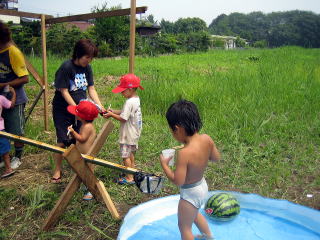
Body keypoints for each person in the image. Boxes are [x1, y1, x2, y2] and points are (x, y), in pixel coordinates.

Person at [160, 100, 220, 240]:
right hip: (202, 187)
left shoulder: (184, 153)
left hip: (190, 193)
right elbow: (215, 158)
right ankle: (208, 237)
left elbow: (178, 181)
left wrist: (165, 165)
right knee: (195, 215)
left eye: (172, 131)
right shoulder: (206, 139)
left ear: (177, 129)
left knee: (184, 227)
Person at [51, 39, 105, 183]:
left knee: (79, 139)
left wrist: (99, 106)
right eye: (87, 57)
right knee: (62, 140)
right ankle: (57, 168)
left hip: (80, 110)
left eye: (91, 58)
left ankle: (79, 167)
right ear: (78, 54)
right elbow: (64, 91)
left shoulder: (87, 68)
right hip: (63, 109)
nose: (89, 60)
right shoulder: (66, 68)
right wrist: (76, 108)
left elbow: (91, 89)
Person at [103, 73, 143, 184]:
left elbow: (123, 118)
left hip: (127, 134)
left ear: (130, 89)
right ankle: (132, 171)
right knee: (131, 154)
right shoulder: (136, 99)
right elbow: (125, 112)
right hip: (134, 133)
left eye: (123, 90)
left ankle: (129, 178)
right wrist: (113, 111)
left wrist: (111, 115)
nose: (121, 92)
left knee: (125, 156)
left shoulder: (129, 102)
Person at [0, 21, 29, 169]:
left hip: (14, 99)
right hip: (0, 100)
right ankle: (4, 155)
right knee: (1, 130)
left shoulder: (13, 52)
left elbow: (25, 78)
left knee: (16, 130)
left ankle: (18, 156)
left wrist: (3, 85)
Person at [67, 100, 98, 200]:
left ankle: (90, 190)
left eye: (77, 113)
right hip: (82, 154)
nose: (75, 115)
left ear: (82, 116)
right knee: (83, 170)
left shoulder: (87, 127)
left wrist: (72, 132)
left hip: (88, 154)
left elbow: (82, 138)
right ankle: (85, 186)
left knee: (89, 171)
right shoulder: (84, 125)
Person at [0, 86, 16, 178]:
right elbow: (11, 105)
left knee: (5, 150)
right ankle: (8, 168)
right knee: (4, 150)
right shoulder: (1, 98)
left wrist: (13, 93)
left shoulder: (1, 98)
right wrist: (14, 93)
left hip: (0, 130)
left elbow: (10, 105)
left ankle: (8, 169)